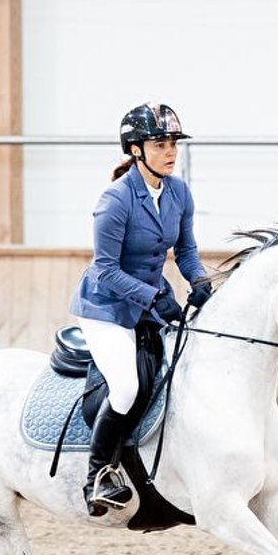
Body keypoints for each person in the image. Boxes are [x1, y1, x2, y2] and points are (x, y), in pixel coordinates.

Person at [69, 102, 213, 516]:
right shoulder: (115, 200)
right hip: (106, 307)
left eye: (173, 144)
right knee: (128, 387)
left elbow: (185, 250)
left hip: (150, 300)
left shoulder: (179, 192)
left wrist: (199, 283)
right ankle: (98, 474)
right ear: (136, 149)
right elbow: (105, 268)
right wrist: (154, 298)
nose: (171, 152)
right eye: (161, 144)